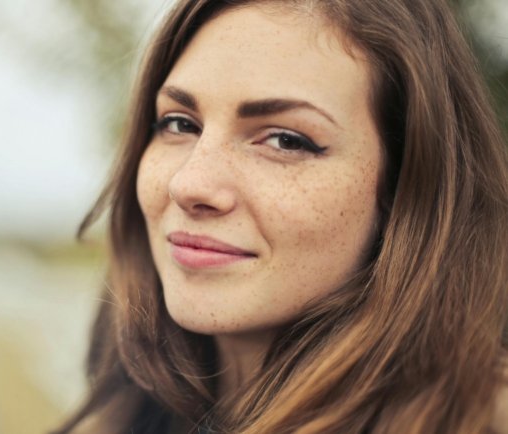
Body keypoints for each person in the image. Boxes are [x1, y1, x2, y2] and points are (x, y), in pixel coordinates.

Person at [55, 0, 508, 432]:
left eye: (285, 140)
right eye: (180, 123)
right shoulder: (120, 416)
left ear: (405, 187)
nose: (189, 184)